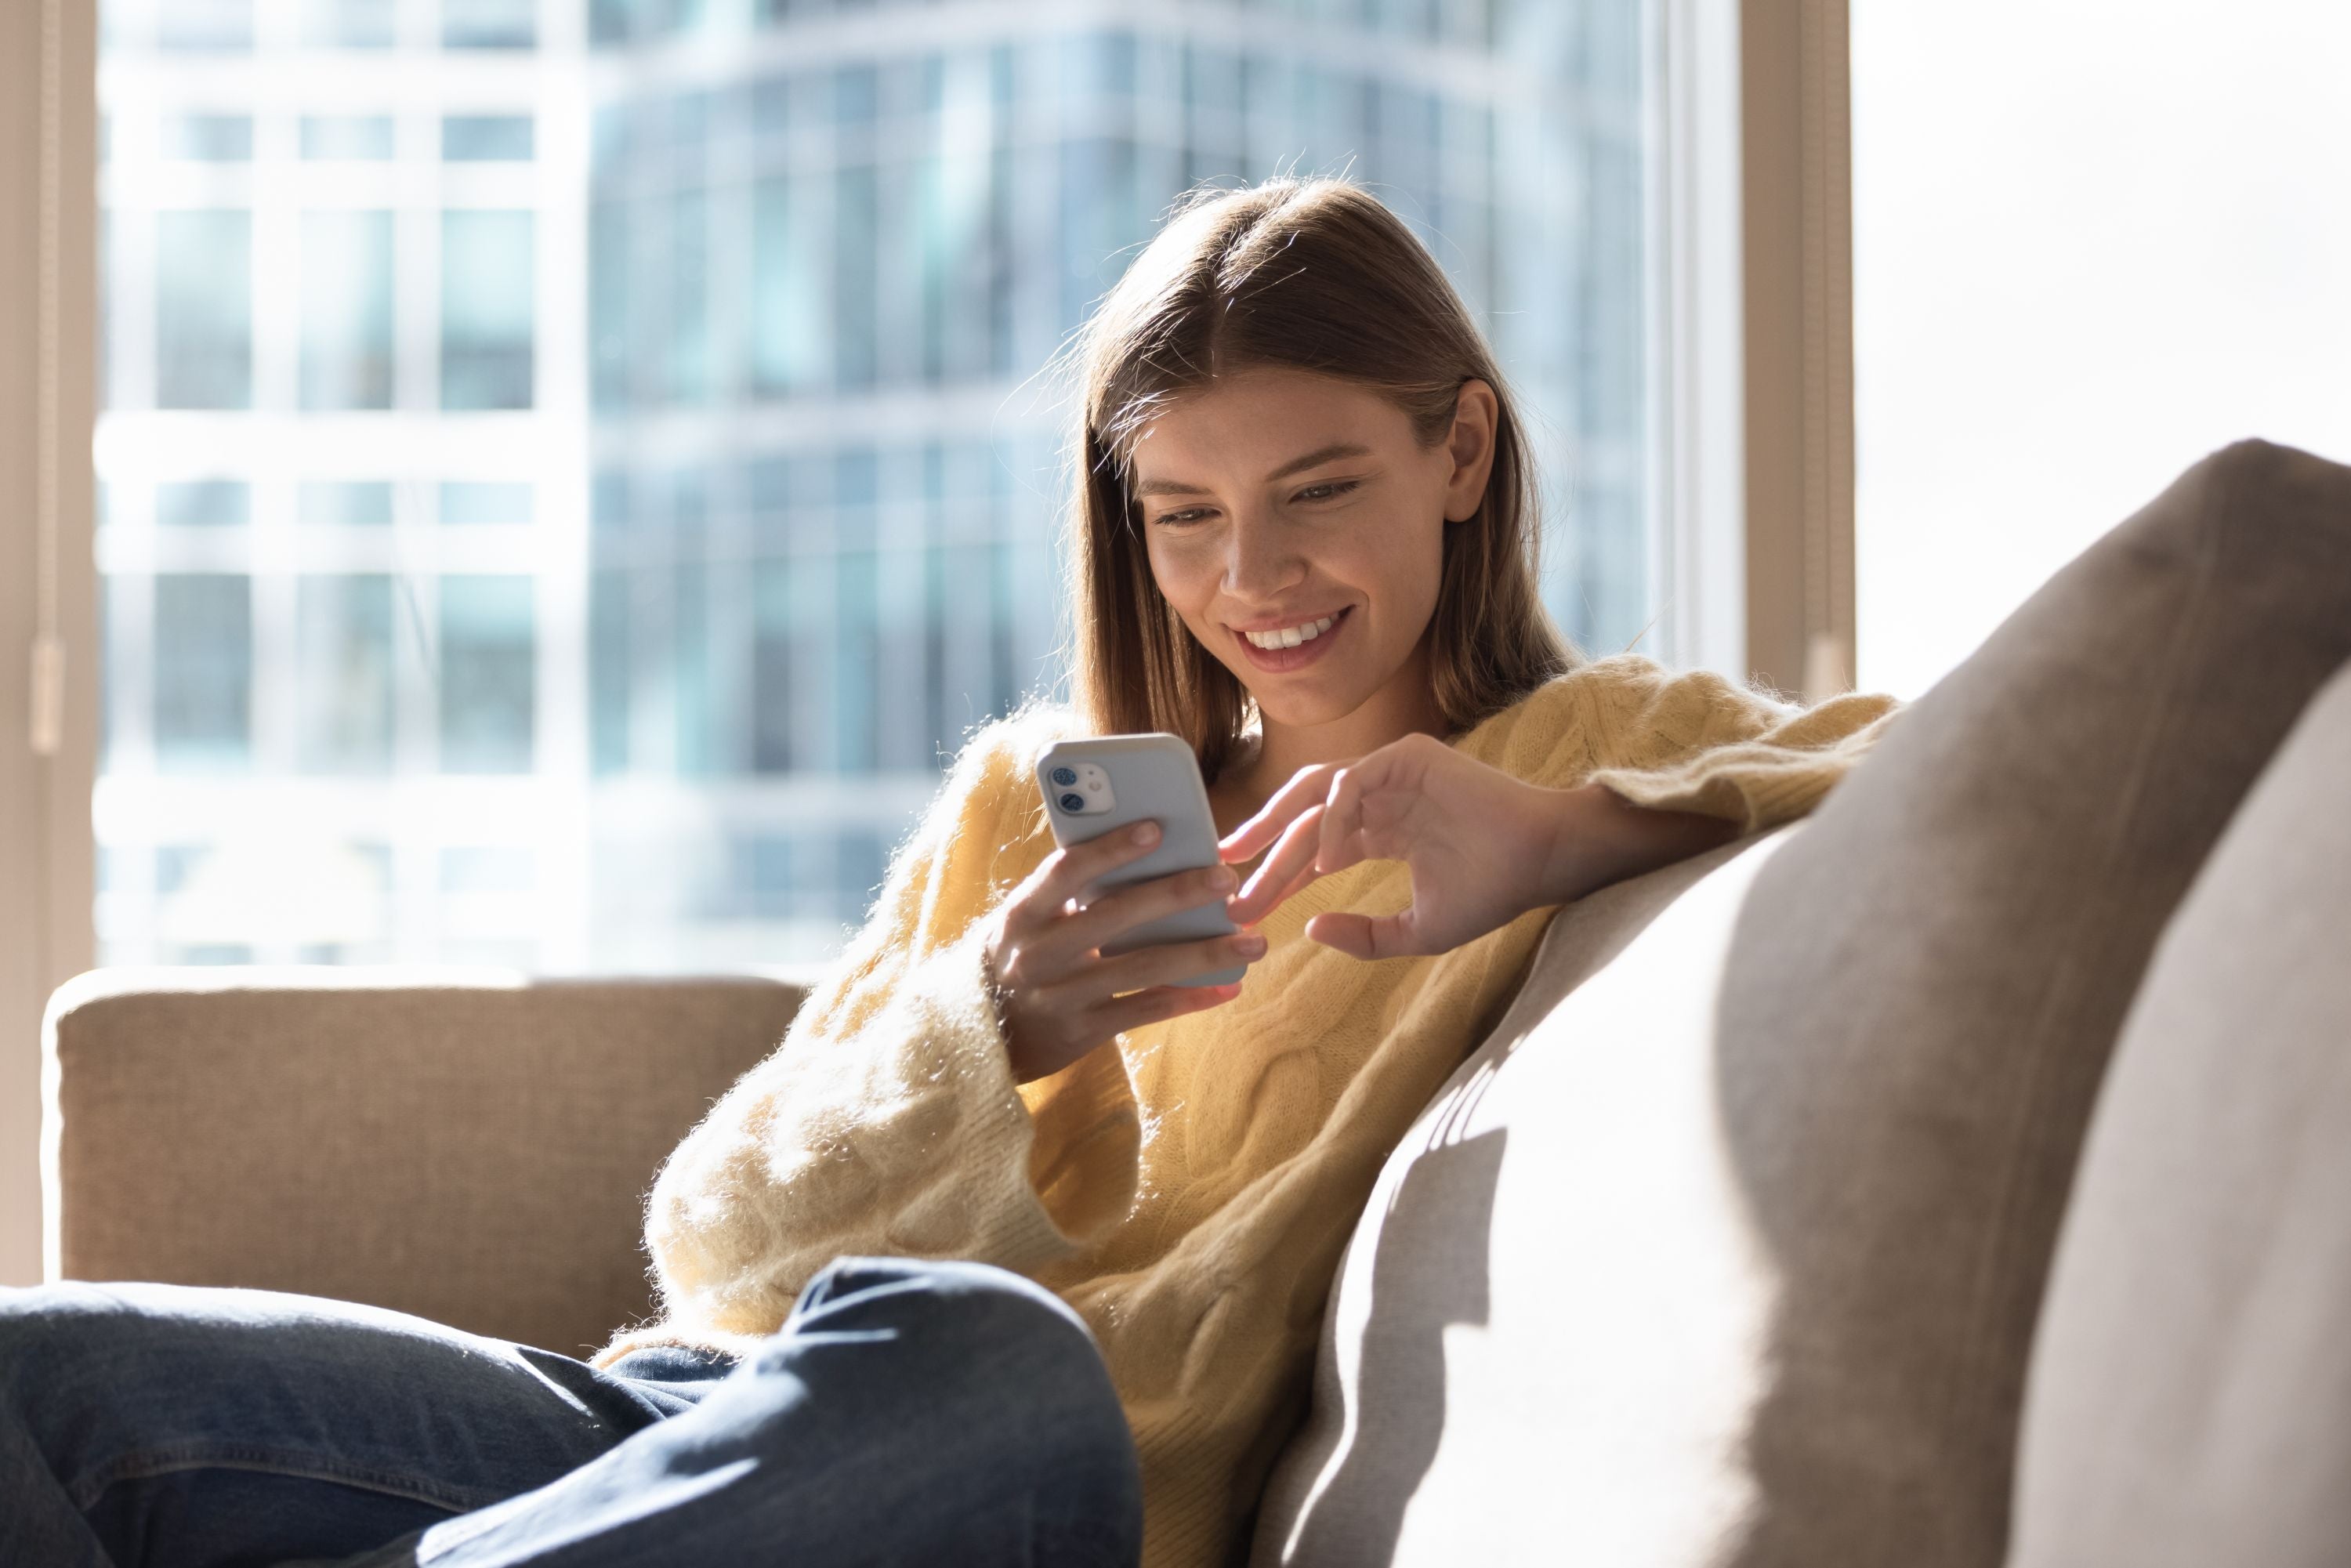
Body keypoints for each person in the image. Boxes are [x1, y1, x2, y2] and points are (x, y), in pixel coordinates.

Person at [0, 177, 1899, 1568]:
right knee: (32, 1373)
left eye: (1319, 488)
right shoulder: (1025, 796)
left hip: (1006, 1478)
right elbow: (720, 1246)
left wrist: (1552, 834)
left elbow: (1938, 749)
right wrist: (987, 1015)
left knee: (995, 1359)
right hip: (696, 1433)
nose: (1257, 580)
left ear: (1462, 451)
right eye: (1186, 516)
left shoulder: (1587, 748)